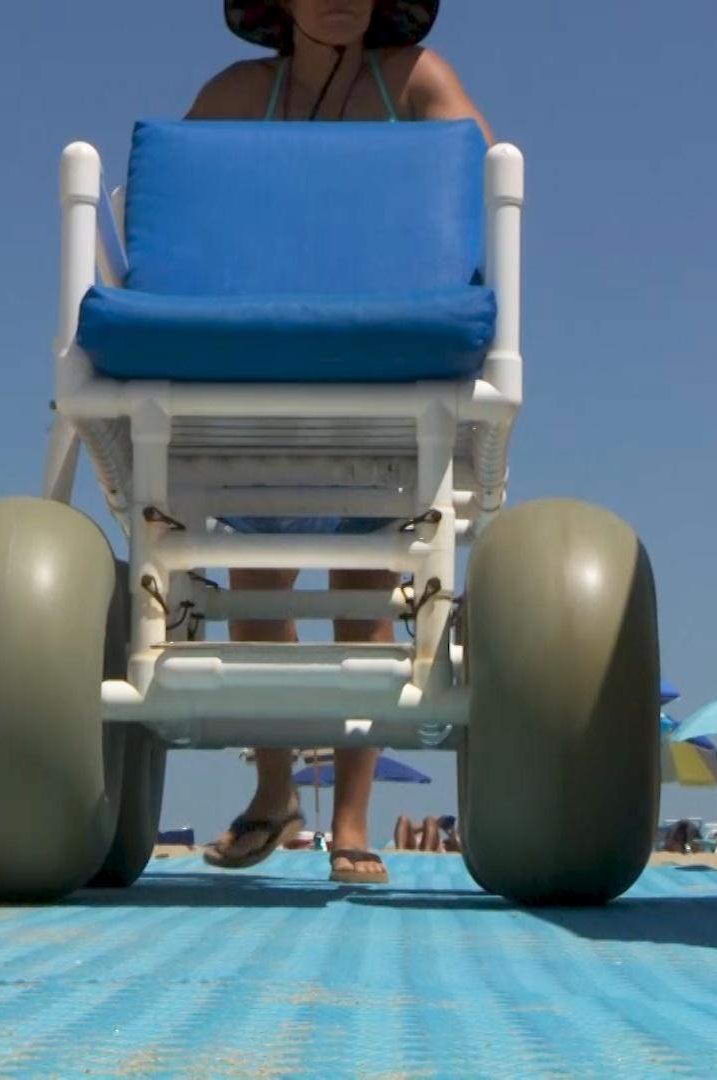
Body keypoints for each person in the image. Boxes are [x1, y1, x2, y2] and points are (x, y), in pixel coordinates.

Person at [192, 0, 492, 886]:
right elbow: (184, 213)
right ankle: (276, 790)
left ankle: (353, 818)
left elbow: (482, 170)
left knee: (367, 578)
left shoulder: (416, 80)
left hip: (383, 373)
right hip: (271, 375)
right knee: (257, 578)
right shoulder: (244, 92)